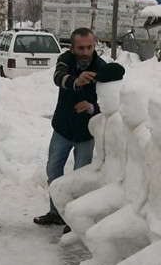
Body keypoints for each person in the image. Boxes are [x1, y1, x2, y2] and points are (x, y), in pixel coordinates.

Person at [33, 27, 108, 228]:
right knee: (53, 170)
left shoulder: (102, 67)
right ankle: (55, 212)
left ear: (94, 46)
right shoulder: (65, 60)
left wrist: (91, 107)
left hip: (86, 134)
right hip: (62, 130)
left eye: (89, 47)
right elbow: (58, 77)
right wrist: (76, 82)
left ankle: (75, 220)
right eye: (80, 48)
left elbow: (111, 101)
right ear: (72, 48)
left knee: (80, 178)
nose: (85, 52)